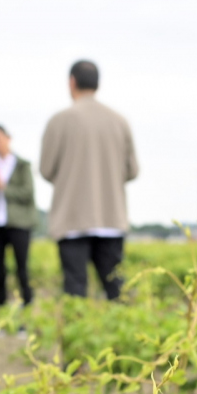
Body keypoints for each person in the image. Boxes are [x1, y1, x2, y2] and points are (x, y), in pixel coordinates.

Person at [40, 60, 139, 300]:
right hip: (110, 218)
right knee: (116, 288)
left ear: (71, 82)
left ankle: (77, 336)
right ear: (98, 84)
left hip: (72, 219)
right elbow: (133, 171)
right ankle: (123, 336)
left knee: (75, 289)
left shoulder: (59, 121)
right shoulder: (119, 121)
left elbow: (46, 170)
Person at [0, 124, 36, 306]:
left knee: (22, 268)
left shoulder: (21, 165)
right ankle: (1, 308)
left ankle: (27, 306)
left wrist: (3, 186)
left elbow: (28, 193)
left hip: (19, 224)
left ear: (8, 138)